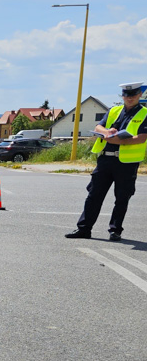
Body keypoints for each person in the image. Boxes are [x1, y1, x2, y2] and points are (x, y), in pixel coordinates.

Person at [65, 82, 147, 242]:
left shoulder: (145, 114)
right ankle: (84, 229)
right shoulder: (114, 110)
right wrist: (107, 132)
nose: (129, 98)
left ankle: (115, 231)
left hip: (127, 163)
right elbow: (99, 127)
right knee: (93, 195)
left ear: (139, 96)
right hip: (105, 159)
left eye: (132, 95)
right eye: (126, 95)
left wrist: (119, 141)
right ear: (122, 96)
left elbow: (142, 137)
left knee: (122, 198)